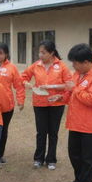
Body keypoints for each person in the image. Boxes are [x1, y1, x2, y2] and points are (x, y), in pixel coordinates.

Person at [49, 44, 92, 182]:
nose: (73, 66)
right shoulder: (77, 74)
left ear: (86, 62)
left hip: (90, 125)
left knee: (88, 158)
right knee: (74, 154)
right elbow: (71, 93)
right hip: (75, 122)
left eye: (75, 63)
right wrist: (60, 97)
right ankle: (79, 179)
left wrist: (75, 89)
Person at [22, 40, 72, 170]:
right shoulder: (36, 65)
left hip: (57, 103)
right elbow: (23, 77)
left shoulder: (61, 66)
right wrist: (26, 83)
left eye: (43, 52)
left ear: (51, 53)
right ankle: (38, 158)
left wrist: (51, 86)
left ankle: (51, 159)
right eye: (39, 52)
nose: (40, 55)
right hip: (39, 103)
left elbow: (69, 85)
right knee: (41, 132)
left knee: (53, 132)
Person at [0, 42, 25, 168]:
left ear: (6, 54)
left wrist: (20, 100)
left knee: (3, 130)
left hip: (7, 106)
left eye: (1, 53)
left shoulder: (12, 68)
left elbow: (19, 85)